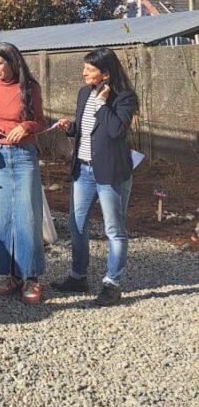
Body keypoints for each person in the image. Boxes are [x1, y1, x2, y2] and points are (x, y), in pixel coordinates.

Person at [52, 47, 139, 307]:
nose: (84, 73)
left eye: (89, 70)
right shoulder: (83, 94)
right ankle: (78, 275)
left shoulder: (125, 98)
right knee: (76, 225)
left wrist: (102, 103)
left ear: (105, 74)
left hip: (111, 173)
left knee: (114, 229)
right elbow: (87, 130)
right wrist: (71, 129)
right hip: (83, 170)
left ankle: (112, 283)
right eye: (84, 68)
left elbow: (114, 130)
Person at [0, 42, 46, 305]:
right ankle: (9, 274)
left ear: (13, 62)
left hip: (23, 156)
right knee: (0, 217)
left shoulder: (29, 88)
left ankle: (32, 276)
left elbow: (40, 121)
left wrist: (25, 126)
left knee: (27, 216)